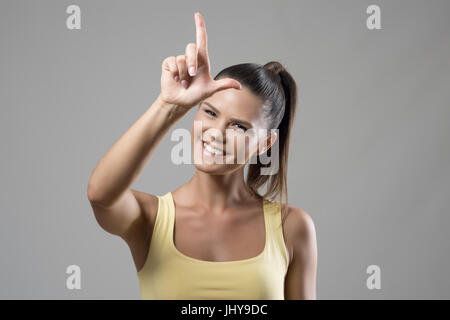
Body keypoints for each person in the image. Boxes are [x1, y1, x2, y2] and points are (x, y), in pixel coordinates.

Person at [87, 12, 317, 300]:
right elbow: (100, 194)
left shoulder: (292, 227)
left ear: (265, 143)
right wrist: (168, 105)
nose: (216, 133)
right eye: (209, 112)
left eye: (238, 126)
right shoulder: (150, 218)